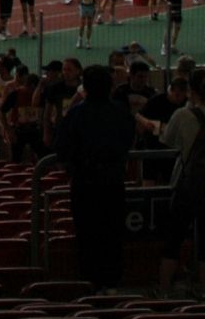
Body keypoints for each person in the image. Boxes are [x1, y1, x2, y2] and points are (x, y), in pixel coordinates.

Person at [52, 65, 138, 292]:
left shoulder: (76, 114)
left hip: (85, 183)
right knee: (113, 233)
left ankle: (91, 283)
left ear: (86, 88)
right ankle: (112, 283)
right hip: (113, 182)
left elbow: (62, 149)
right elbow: (129, 140)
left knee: (87, 234)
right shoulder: (120, 112)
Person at [155, 73, 205, 296]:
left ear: (191, 92)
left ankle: (164, 289)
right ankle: (203, 289)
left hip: (188, 182)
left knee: (174, 236)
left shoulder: (182, 115)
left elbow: (167, 140)